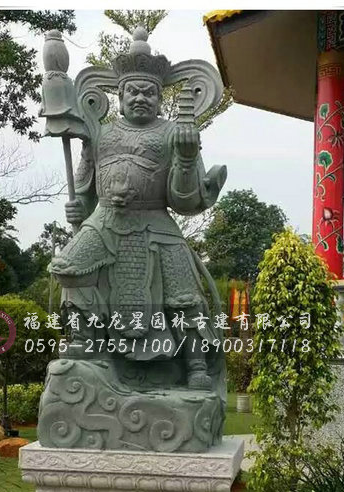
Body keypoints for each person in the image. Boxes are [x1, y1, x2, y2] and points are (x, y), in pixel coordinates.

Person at [51, 28, 226, 391]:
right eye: (133, 91)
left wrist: (187, 156)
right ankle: (85, 339)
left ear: (161, 99)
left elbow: (185, 201)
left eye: (149, 92)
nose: (141, 98)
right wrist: (78, 207)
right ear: (120, 96)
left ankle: (195, 365)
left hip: (156, 222)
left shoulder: (174, 132)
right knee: (69, 267)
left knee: (184, 295)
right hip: (105, 221)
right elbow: (85, 188)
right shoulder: (99, 133)